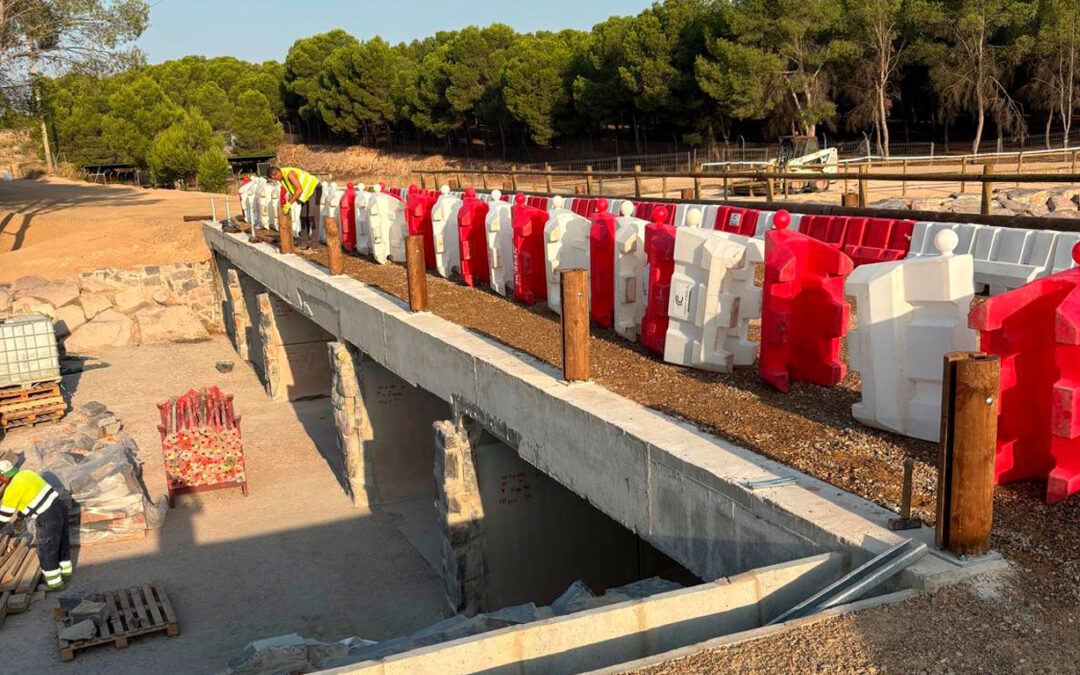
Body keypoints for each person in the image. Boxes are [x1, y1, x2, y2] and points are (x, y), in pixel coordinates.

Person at [0, 459, 71, 590]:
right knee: (62, 543)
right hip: (60, 507)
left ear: (3, 476)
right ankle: (66, 574)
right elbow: (31, 496)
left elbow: (3, 517)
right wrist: (20, 517)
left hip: (47, 517)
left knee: (46, 550)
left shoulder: (12, 489)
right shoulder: (28, 473)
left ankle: (55, 584)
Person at [268, 166, 322, 250]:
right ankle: (304, 242)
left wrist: (289, 203)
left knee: (312, 216)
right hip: (306, 194)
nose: (275, 180)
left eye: (275, 177)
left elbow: (299, 190)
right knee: (303, 216)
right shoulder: (282, 179)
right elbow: (292, 190)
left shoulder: (290, 174)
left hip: (314, 188)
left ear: (277, 173)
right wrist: (290, 201)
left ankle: (314, 245)